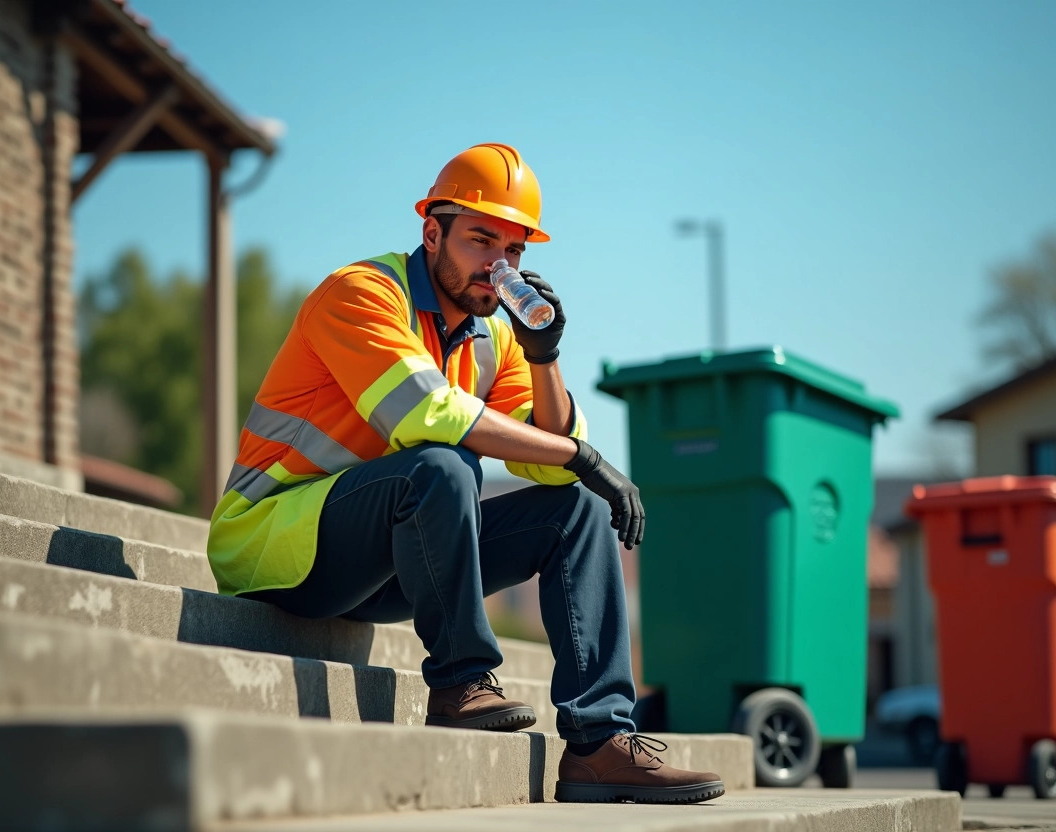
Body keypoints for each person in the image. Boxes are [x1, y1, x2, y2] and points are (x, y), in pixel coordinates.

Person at [207, 143, 724, 804]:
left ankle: (600, 744)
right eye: (482, 240)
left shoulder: (495, 339)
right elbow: (424, 411)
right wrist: (583, 457)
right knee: (443, 465)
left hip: (391, 560)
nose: (498, 265)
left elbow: (549, 459)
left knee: (577, 510)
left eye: (514, 251)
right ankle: (460, 684)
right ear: (432, 233)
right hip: (274, 547)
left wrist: (545, 357)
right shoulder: (360, 294)